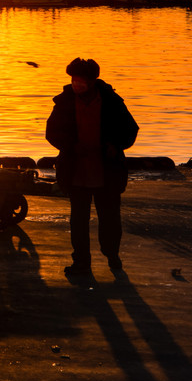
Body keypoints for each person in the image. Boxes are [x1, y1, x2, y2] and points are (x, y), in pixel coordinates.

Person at [45, 57, 138, 282]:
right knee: (78, 221)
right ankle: (81, 263)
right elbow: (52, 133)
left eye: (81, 82)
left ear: (92, 81)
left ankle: (112, 255)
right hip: (76, 171)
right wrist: (71, 146)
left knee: (110, 219)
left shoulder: (112, 101)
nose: (77, 85)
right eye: (74, 81)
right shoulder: (65, 102)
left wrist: (115, 146)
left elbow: (130, 129)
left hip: (107, 171)